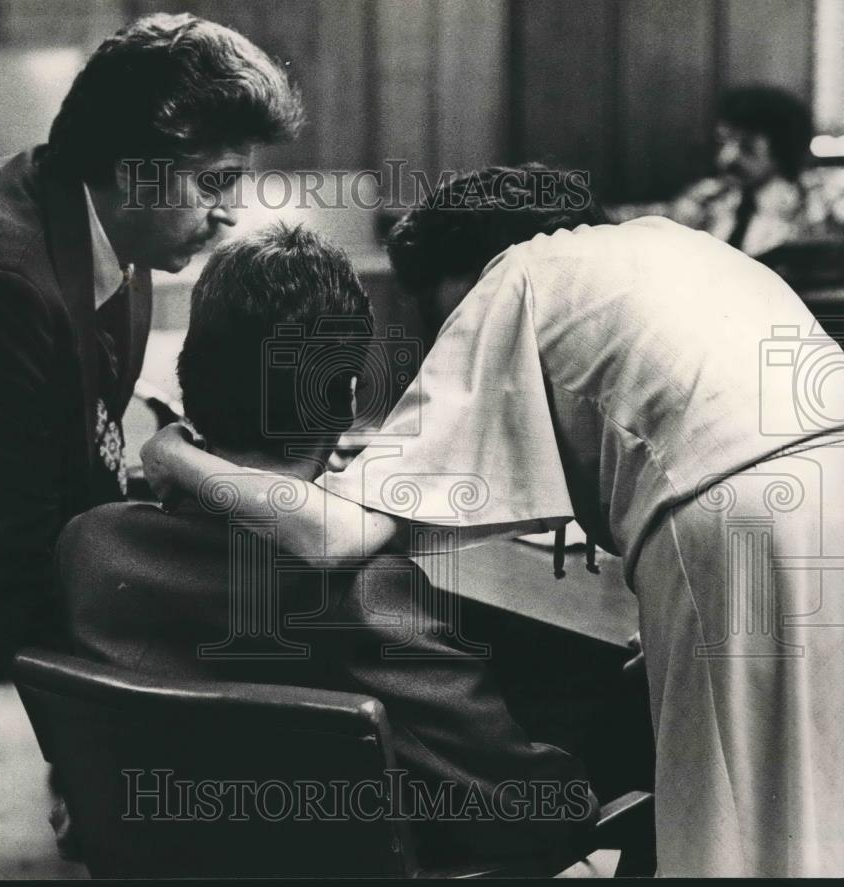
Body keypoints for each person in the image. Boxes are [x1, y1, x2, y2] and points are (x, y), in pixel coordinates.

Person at [142, 165, 844, 876]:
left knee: (734, 839)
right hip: (805, 508)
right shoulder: (670, 250)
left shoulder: (518, 275)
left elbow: (331, 537)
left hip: (738, 533)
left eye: (451, 323)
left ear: (476, 272)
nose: (455, 347)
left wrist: (172, 454)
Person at [0, 13, 301, 878]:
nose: (231, 211)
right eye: (215, 181)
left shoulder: (107, 245)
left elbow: (62, 486)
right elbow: (20, 540)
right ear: (133, 167)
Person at [58, 223, 597, 874]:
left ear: (188, 380)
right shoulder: (363, 589)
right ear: (344, 400)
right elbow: (522, 810)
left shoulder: (89, 548)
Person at [614, 85, 844, 256]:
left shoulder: (819, 202)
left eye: (747, 147)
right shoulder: (708, 198)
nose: (726, 158)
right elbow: (649, 220)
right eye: (723, 143)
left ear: (783, 149)